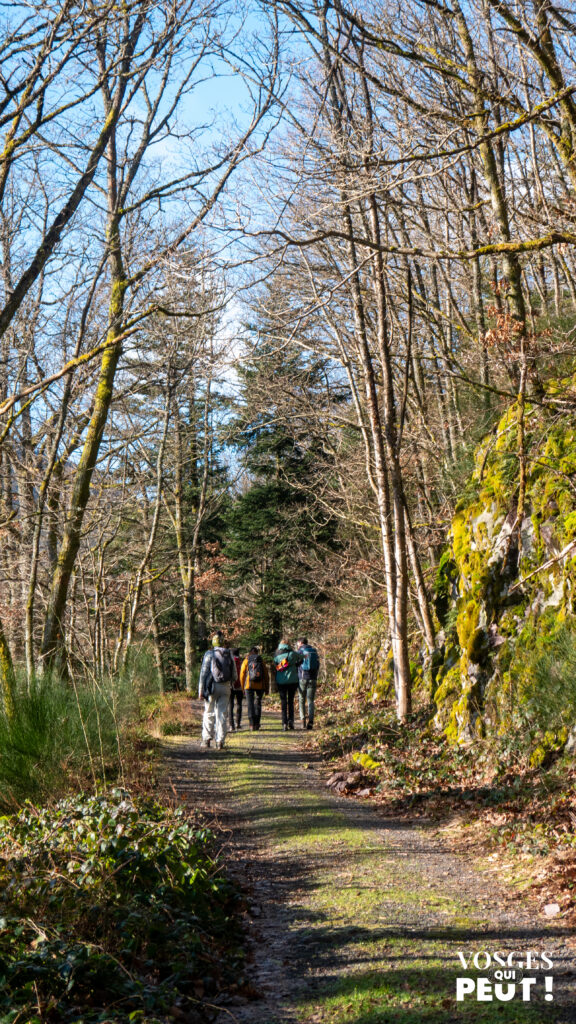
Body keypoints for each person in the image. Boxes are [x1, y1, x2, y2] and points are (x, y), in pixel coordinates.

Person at [198, 631, 237, 749]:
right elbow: (234, 673)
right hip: (225, 687)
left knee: (209, 711)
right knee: (222, 713)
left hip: (212, 687)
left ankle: (206, 739)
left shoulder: (209, 654)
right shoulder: (228, 654)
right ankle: (220, 741)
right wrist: (231, 683)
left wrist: (201, 690)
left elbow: (203, 673)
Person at [272, 640, 302, 731]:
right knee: (291, 701)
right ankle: (291, 722)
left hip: (281, 681)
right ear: (288, 645)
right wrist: (296, 665)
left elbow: (275, 666)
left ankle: (284, 723)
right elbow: (302, 658)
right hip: (292, 681)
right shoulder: (293, 653)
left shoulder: (276, 654)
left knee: (283, 702)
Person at [240, 646, 269, 730]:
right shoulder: (261, 660)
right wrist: (266, 688)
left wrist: (242, 688)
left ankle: (251, 724)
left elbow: (242, 674)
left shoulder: (246, 660)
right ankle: (257, 724)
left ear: (249, 653)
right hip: (260, 685)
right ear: (257, 652)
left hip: (249, 685)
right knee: (258, 703)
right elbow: (266, 675)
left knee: (250, 704)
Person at [296, 637, 320, 730]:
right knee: (311, 700)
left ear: (301, 643)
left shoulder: (300, 651)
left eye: (298, 643)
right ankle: (311, 721)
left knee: (301, 698)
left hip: (302, 678)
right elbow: (318, 665)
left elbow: (296, 664)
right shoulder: (314, 651)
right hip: (313, 678)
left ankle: (303, 720)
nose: (297, 645)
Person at [229, 648, 244, 731]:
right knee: (239, 704)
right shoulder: (241, 662)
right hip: (240, 686)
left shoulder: (230, 662)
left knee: (230, 705)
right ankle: (238, 723)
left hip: (231, 685)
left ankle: (231, 725)